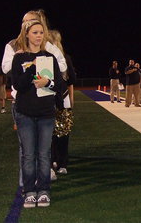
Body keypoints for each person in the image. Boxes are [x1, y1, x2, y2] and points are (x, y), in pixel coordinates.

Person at [1, 9, 67, 189]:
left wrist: (46, 67)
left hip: (44, 100)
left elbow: (62, 64)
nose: (28, 24)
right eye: (25, 21)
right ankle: (27, 184)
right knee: (26, 149)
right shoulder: (13, 45)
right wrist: (22, 59)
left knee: (44, 148)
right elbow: (6, 68)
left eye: (32, 21)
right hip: (22, 101)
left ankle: (43, 181)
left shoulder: (47, 45)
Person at [12, 20, 63, 208]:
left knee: (43, 155)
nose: (39, 35)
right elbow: (18, 85)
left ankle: (43, 190)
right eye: (35, 32)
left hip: (46, 114)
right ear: (27, 34)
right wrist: (33, 66)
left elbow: (59, 85)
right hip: (25, 113)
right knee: (28, 155)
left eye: (41, 32)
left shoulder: (50, 57)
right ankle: (29, 191)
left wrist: (47, 83)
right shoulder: (19, 59)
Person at [49, 29, 76, 177]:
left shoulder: (65, 58)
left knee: (63, 132)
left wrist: (71, 99)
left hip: (63, 98)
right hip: (47, 99)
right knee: (49, 132)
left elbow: (72, 80)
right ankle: (53, 161)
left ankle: (62, 162)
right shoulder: (42, 58)